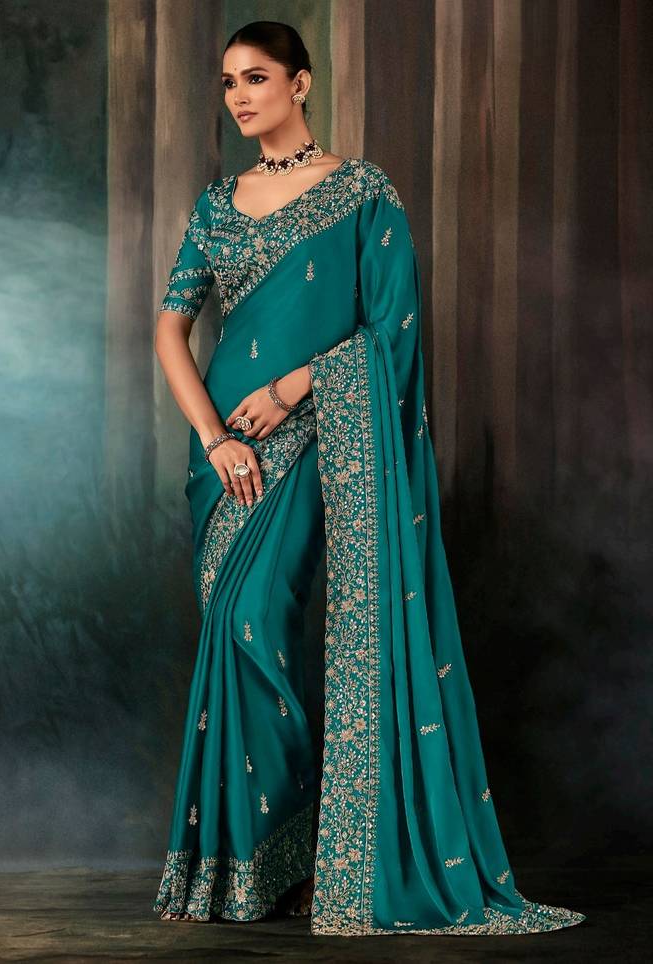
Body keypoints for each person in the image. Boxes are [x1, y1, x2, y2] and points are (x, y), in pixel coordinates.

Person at [151, 20, 586, 937]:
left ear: (301, 83)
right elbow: (170, 329)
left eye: (256, 77)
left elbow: (392, 332)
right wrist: (214, 437)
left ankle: (324, 855)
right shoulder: (217, 203)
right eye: (228, 81)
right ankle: (250, 866)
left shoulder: (361, 193)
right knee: (234, 633)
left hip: (317, 435)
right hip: (226, 451)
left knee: (255, 622)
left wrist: (294, 387)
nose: (239, 96)